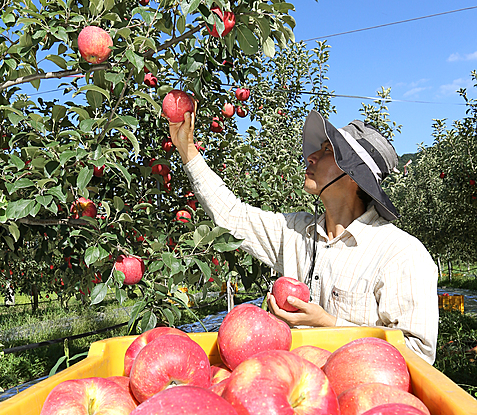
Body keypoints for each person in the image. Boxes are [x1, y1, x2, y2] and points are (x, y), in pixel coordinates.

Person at [169, 108, 439, 364]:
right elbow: (233, 215)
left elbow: (418, 352)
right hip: (295, 388)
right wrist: (187, 150)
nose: (311, 157)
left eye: (327, 151)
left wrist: (330, 325)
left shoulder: (400, 254)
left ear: (354, 175)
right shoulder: (296, 233)